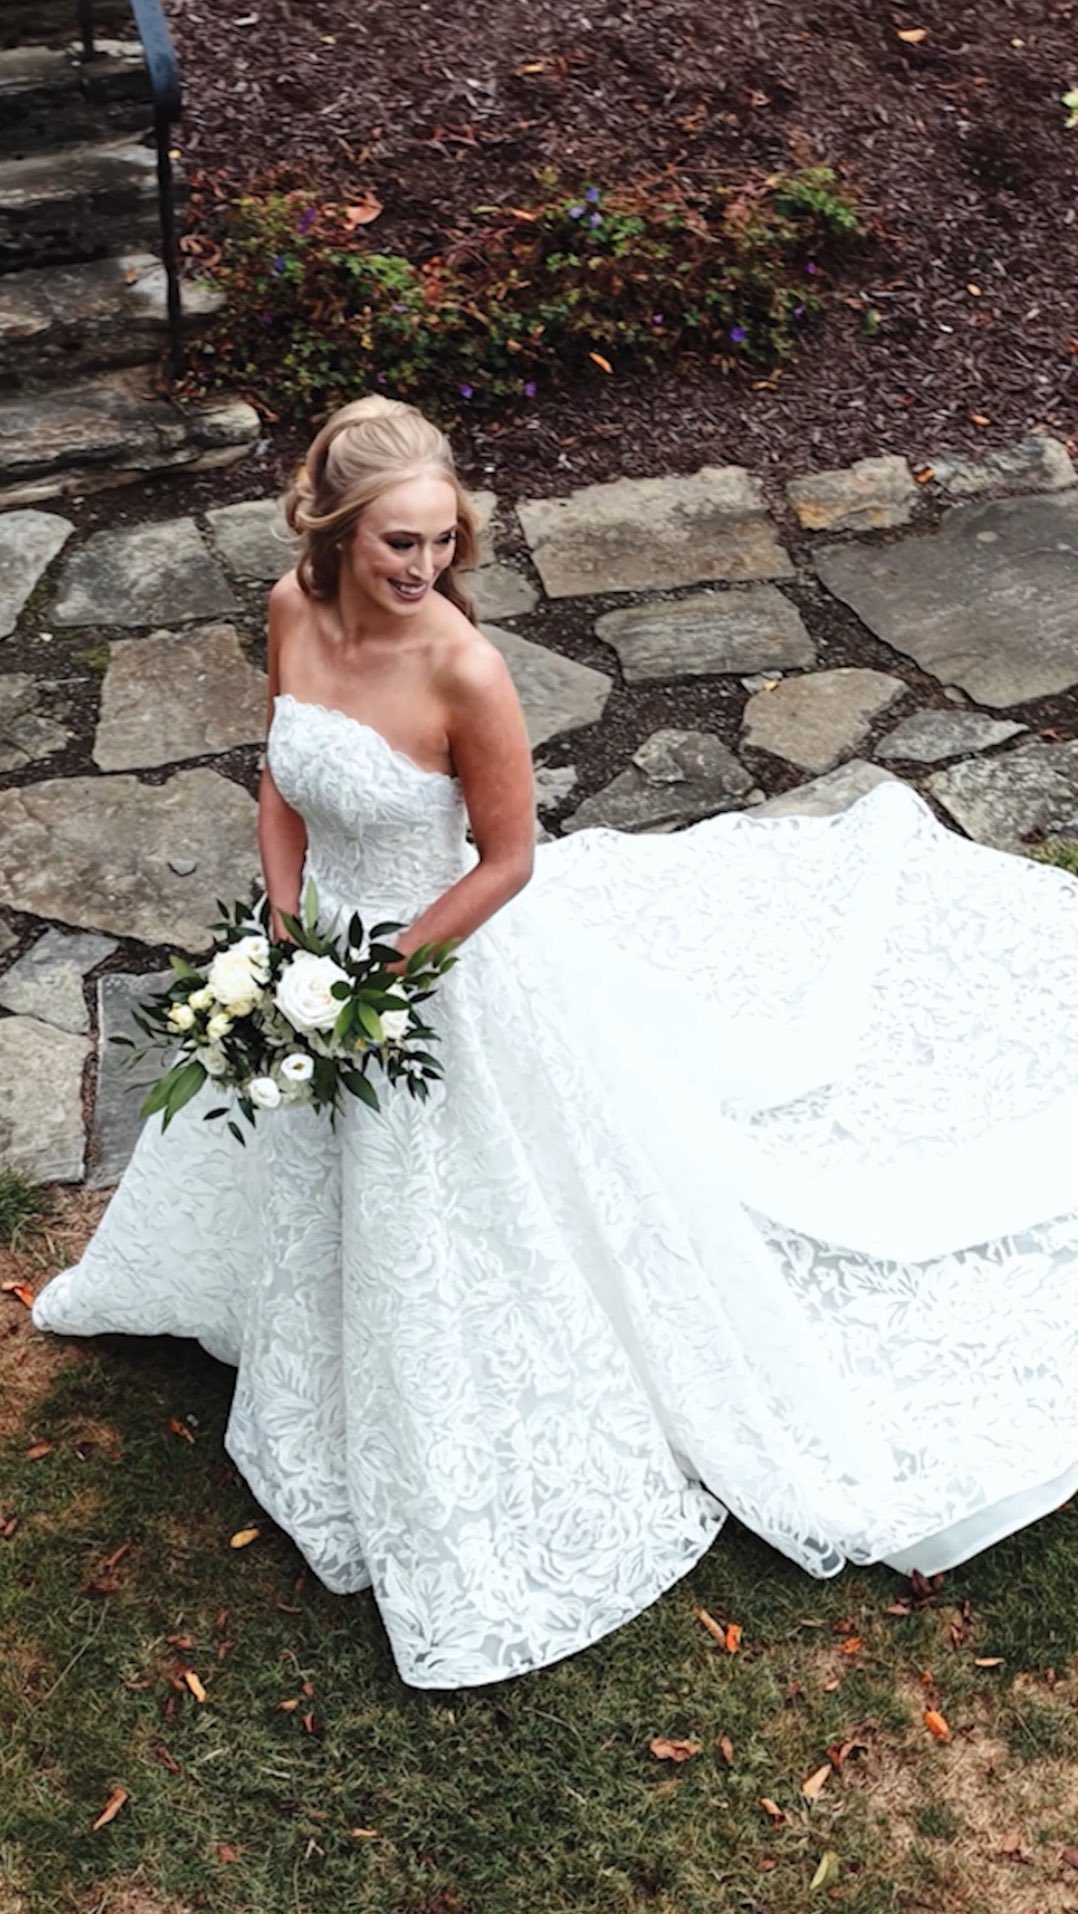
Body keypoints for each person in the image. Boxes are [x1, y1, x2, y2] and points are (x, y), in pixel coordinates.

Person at [33, 396, 1078, 1691]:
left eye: (438, 544)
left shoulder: (463, 668)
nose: (423, 571)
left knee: (448, 1214)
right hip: (322, 960)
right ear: (331, 531)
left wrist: (375, 977)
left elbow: (510, 860)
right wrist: (290, 926)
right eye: (395, 548)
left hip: (440, 968)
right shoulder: (289, 612)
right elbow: (278, 776)